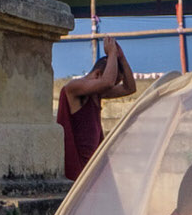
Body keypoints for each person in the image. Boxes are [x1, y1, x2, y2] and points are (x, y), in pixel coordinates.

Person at [57, 38, 136, 179]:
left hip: (91, 171)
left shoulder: (96, 94)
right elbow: (107, 83)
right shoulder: (73, 88)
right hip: (77, 172)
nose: (111, 87)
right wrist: (111, 53)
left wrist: (122, 58)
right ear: (98, 74)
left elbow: (129, 88)